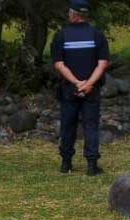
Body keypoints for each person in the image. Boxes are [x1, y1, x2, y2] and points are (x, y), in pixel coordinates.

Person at [50, 0, 109, 176]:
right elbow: (102, 63)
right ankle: (92, 165)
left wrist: (76, 83)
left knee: (68, 125)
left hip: (69, 88)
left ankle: (66, 163)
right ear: (86, 15)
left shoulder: (61, 35)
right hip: (92, 89)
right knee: (91, 126)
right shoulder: (97, 35)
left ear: (73, 14)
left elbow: (59, 64)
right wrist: (88, 84)